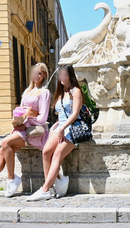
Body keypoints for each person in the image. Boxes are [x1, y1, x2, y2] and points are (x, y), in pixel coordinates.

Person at [0, 62, 51, 200]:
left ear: (44, 75)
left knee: (5, 143)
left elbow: (43, 117)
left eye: (39, 73)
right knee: (2, 151)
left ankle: (11, 179)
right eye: (34, 72)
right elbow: (20, 111)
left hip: (33, 130)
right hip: (21, 128)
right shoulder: (27, 91)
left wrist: (26, 120)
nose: (36, 75)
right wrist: (17, 121)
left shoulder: (44, 92)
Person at [28, 64, 82, 201]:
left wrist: (63, 128)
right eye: (61, 75)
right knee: (46, 152)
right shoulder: (60, 92)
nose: (63, 77)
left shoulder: (76, 91)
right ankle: (52, 184)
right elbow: (61, 115)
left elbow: (75, 114)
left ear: (70, 76)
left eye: (65, 75)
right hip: (60, 127)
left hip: (73, 128)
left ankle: (45, 189)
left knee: (57, 154)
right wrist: (55, 126)